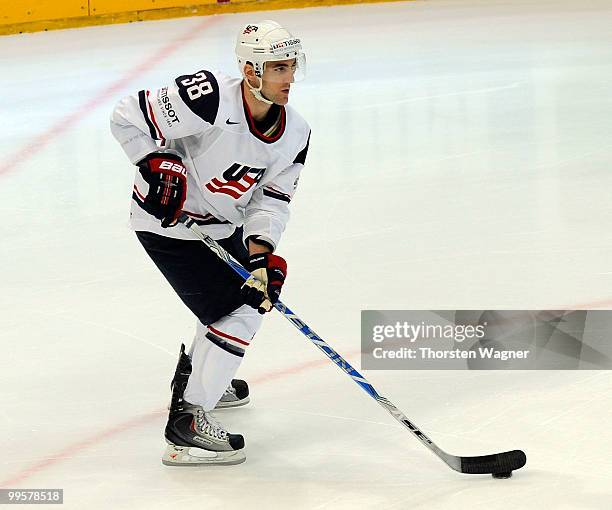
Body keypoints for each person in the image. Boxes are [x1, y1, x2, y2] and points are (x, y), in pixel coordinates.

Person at [110, 20, 311, 466]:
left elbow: (272, 200)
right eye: (278, 68)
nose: (289, 78)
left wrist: (261, 254)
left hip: (222, 229)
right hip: (167, 226)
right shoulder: (207, 97)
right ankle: (187, 423)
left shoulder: (296, 132)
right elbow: (126, 116)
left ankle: (205, 382)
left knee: (249, 296)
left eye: (292, 66)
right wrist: (153, 159)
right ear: (250, 69)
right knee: (238, 312)